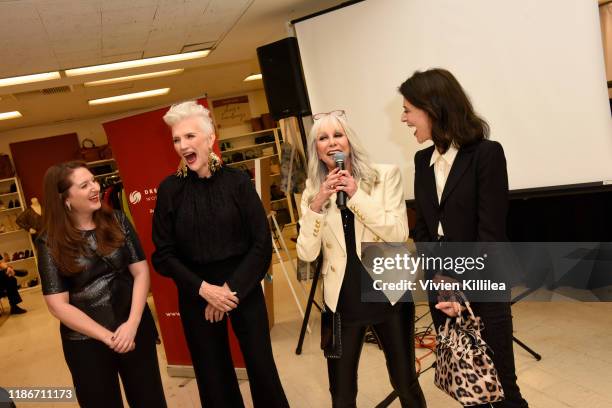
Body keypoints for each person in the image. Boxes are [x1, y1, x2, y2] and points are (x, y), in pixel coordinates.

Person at [399, 68, 529, 407]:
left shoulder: (486, 154)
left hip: (483, 286)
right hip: (442, 287)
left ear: (432, 109)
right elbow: (425, 231)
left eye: (409, 109)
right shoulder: (421, 160)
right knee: (468, 386)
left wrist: (464, 291)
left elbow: (490, 234)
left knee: (500, 386)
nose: (404, 118)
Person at [152, 101, 288, 408]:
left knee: (261, 368)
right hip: (196, 292)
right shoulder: (169, 190)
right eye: (176, 139)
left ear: (209, 138)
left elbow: (261, 244)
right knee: (213, 375)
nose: (182, 145)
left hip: (243, 287)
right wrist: (205, 291)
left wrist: (227, 292)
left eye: (189, 136)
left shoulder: (237, 182)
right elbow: (163, 255)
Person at [296, 110, 426, 408]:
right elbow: (306, 253)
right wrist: (316, 205)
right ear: (316, 148)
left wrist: (355, 196)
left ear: (350, 140)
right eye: (322, 138)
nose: (331, 143)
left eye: (337, 135)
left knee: (405, 383)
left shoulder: (385, 175)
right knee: (341, 394)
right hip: (341, 303)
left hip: (389, 296)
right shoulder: (311, 192)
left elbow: (397, 232)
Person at [37, 161, 166, 408]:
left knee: (150, 399)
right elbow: (58, 306)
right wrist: (108, 337)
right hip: (86, 342)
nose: (95, 187)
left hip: (134, 328)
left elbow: (140, 272)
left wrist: (133, 324)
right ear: (65, 198)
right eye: (84, 185)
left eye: (94, 181)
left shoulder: (116, 219)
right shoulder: (49, 242)